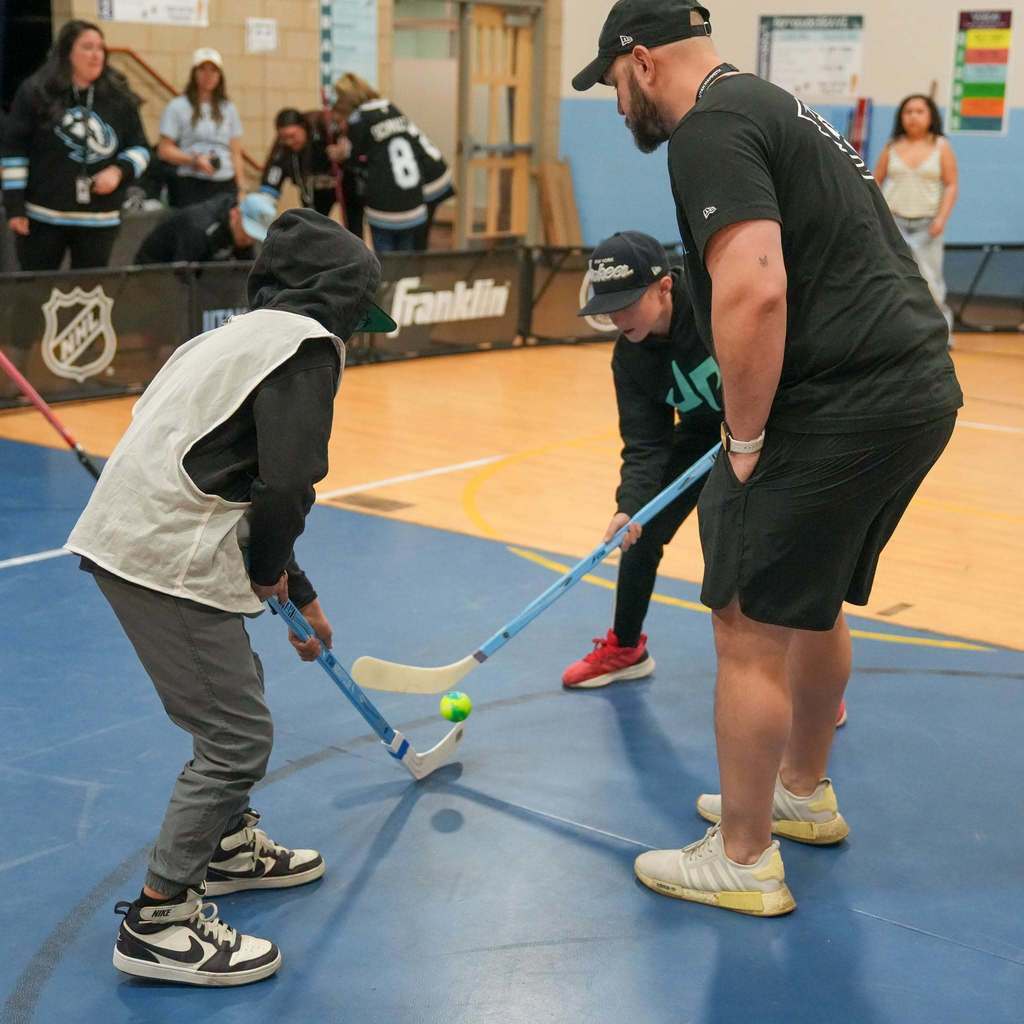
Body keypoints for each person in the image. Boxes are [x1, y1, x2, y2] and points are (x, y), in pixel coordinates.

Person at [573, 0, 961, 916]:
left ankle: (744, 855)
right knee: (810, 598)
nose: (617, 104)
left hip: (840, 403)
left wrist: (742, 441)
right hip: (916, 389)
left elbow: (753, 288)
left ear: (639, 61)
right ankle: (800, 792)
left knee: (744, 619)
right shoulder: (777, 106)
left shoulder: (706, 128)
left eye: (612, 84)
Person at [65, 209, 399, 986]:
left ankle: (225, 847)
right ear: (336, 296)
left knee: (233, 696)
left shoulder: (223, 338)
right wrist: (272, 569)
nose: (354, 331)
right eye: (355, 312)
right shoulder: (307, 346)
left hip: (148, 537)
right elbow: (285, 483)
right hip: (164, 555)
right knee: (236, 738)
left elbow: (245, 476)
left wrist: (296, 586)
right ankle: (160, 920)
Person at [561, 231, 850, 727]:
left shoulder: (712, 307)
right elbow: (646, 444)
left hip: (772, 428)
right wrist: (630, 506)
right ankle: (626, 648)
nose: (619, 318)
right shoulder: (629, 358)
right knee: (642, 533)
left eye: (628, 303)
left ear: (665, 287)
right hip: (703, 437)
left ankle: (810, 685)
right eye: (609, 307)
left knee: (777, 553)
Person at [0, 19, 150, 271]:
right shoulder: (36, 92)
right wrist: (14, 207)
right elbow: (14, 150)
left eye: (100, 48)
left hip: (99, 219)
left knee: (90, 294)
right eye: (87, 47)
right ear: (67, 52)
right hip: (43, 216)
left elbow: (142, 148)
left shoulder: (119, 96)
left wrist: (119, 171)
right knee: (36, 292)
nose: (96, 55)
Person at [875, 95, 959, 337]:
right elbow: (874, 182)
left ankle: (941, 334)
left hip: (927, 225)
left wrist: (941, 219)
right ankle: (895, 333)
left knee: (931, 282)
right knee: (892, 279)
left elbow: (952, 184)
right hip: (894, 224)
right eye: (908, 111)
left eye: (920, 111)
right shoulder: (891, 146)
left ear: (930, 116)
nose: (913, 116)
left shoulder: (941, 146)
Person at [333, 72, 429, 253]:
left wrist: (340, 153)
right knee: (407, 261)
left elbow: (354, 158)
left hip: (384, 204)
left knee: (386, 265)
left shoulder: (359, 119)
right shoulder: (392, 109)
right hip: (413, 200)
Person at [157, 48, 244, 208]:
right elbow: (164, 149)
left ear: (220, 75)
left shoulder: (229, 108)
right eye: (202, 69)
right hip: (191, 183)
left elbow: (236, 153)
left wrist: (241, 189)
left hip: (224, 182)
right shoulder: (177, 106)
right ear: (194, 73)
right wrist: (194, 160)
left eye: (213, 70)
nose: (208, 75)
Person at [260, 108, 361, 233]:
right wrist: (266, 199)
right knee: (312, 230)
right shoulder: (283, 144)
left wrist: (343, 150)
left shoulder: (324, 126)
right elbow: (274, 171)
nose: (289, 142)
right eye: (284, 137)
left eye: (293, 136)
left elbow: (350, 139)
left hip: (344, 184)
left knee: (353, 229)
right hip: (313, 192)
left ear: (303, 128)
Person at [135, 191, 276, 265]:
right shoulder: (198, 227)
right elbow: (182, 276)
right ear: (235, 214)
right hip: (152, 272)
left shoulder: (241, 234)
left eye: (255, 236)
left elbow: (245, 269)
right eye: (248, 231)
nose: (249, 239)